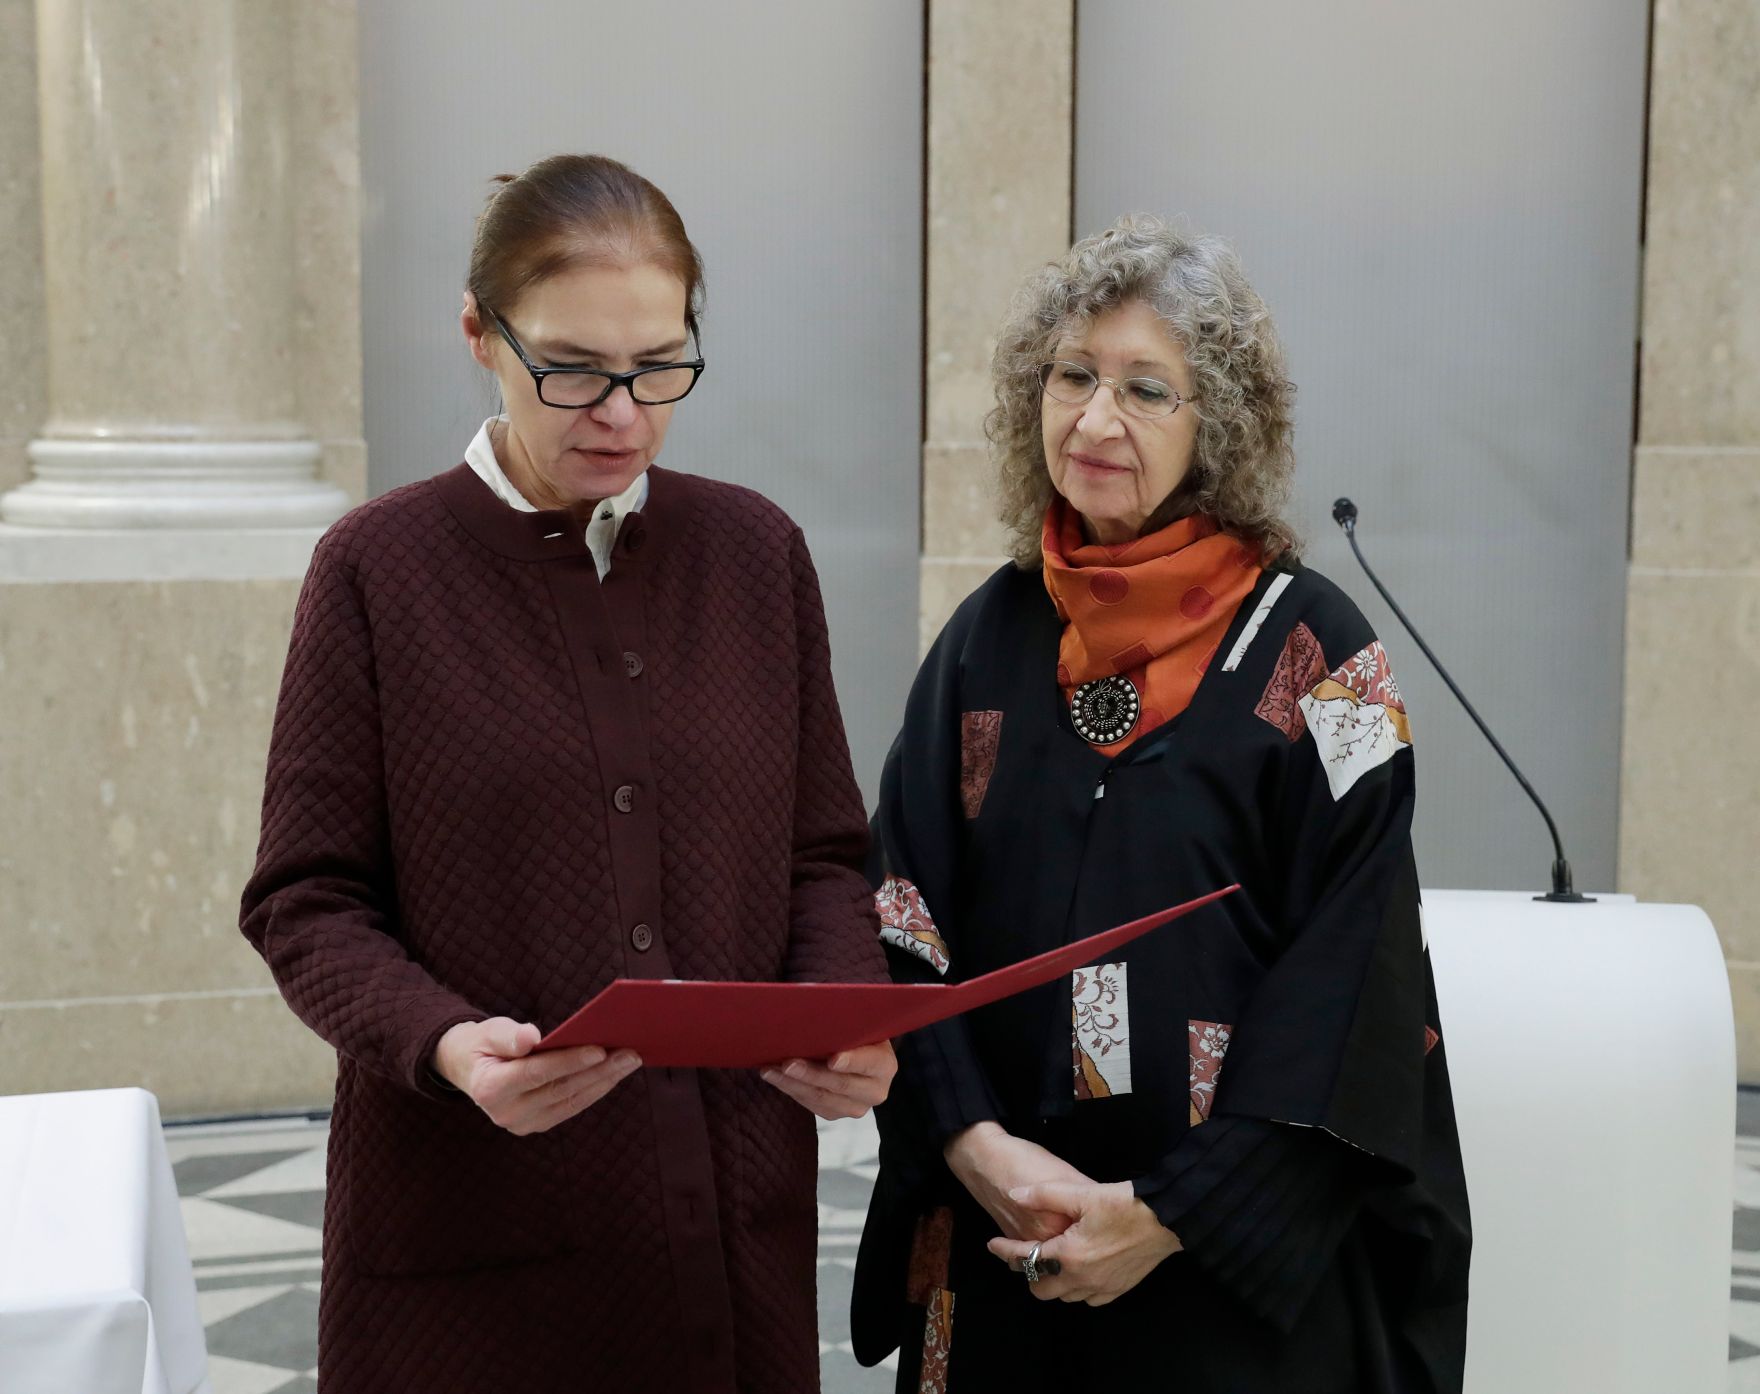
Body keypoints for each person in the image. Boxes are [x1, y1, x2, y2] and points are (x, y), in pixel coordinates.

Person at [240, 153, 895, 1394]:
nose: (622, 412)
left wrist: (840, 1004)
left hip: (725, 1245)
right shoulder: (376, 572)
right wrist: (441, 1044)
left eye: (659, 365)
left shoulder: (756, 553)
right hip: (469, 1247)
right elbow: (304, 900)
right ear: (480, 336)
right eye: (575, 368)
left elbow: (818, 852)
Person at [851, 217, 1470, 1392]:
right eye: (1073, 375)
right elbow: (901, 914)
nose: (1094, 419)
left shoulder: (1325, 651)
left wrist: (1168, 1211)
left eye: (1147, 389)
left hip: (1227, 1279)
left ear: (1216, 427)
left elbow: (1358, 962)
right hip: (1001, 1248)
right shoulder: (984, 638)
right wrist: (972, 1144)